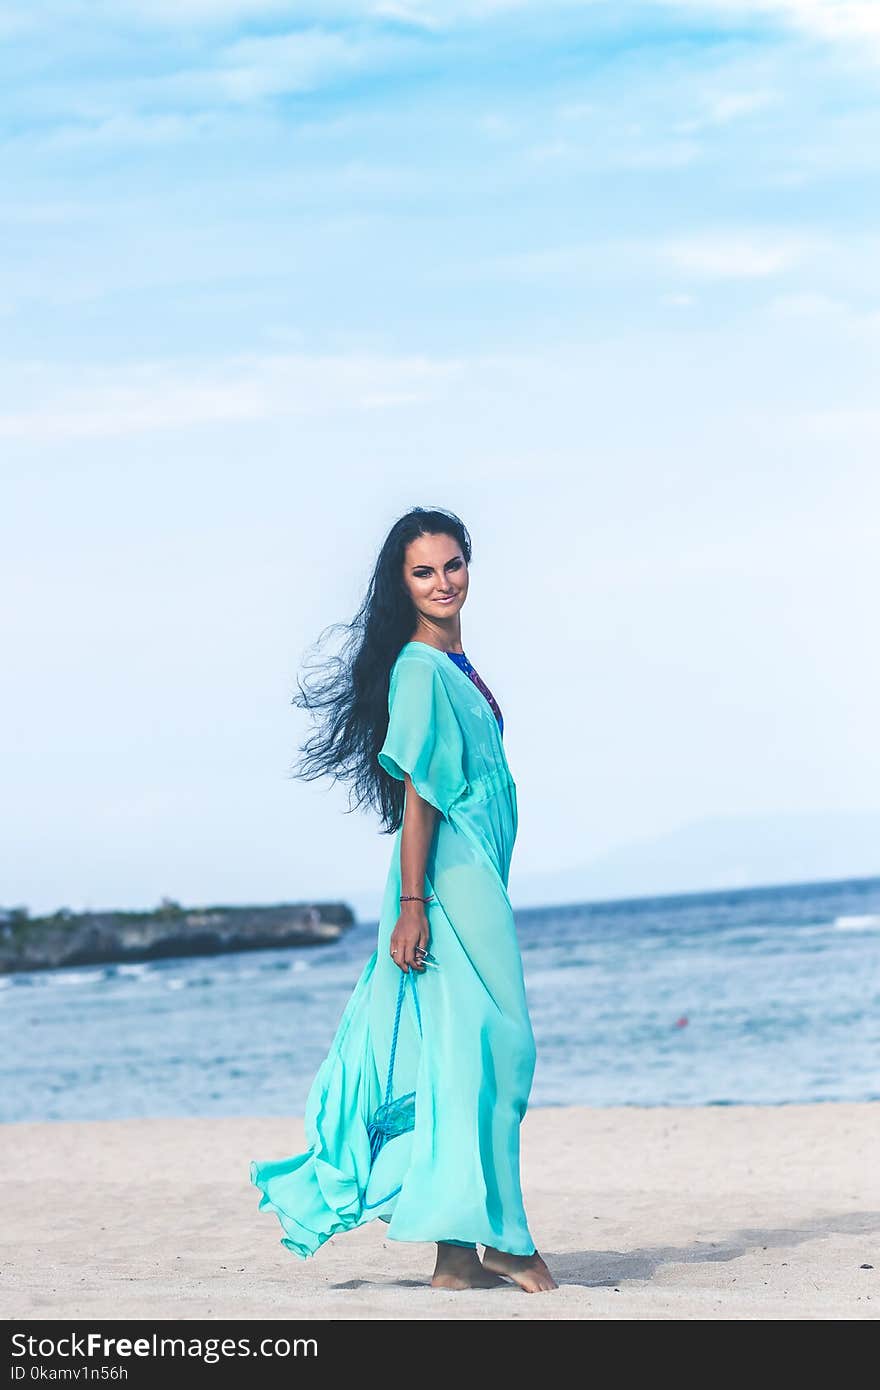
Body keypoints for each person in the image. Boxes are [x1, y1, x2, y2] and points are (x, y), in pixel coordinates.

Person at [249, 507, 557, 1293]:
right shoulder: (420, 667)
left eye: (452, 565)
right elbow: (420, 791)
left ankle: (456, 1255)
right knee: (503, 1049)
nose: (443, 582)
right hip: (447, 877)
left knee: (466, 1054)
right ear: (403, 582)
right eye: (424, 571)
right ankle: (507, 1242)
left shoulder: (453, 662)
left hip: (472, 870)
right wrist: (415, 902)